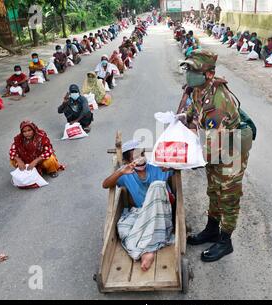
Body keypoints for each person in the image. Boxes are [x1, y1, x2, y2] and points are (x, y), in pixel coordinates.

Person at [180, 50, 252, 262]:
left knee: (228, 196)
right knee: (213, 191)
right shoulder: (197, 90)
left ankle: (225, 240)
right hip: (214, 148)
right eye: (187, 69)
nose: (189, 74)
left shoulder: (218, 102)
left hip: (230, 153)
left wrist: (181, 161)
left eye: (194, 70)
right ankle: (212, 229)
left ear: (209, 74)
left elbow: (211, 150)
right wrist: (182, 118)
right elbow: (193, 114)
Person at [102, 140, 175, 271]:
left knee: (157, 185)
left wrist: (170, 165)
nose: (140, 160)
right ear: (127, 161)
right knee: (123, 228)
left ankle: (148, 250)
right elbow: (105, 184)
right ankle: (147, 251)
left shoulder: (156, 167)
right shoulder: (126, 173)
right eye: (135, 158)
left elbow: (177, 168)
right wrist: (121, 172)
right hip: (142, 213)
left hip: (161, 212)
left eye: (142, 155)